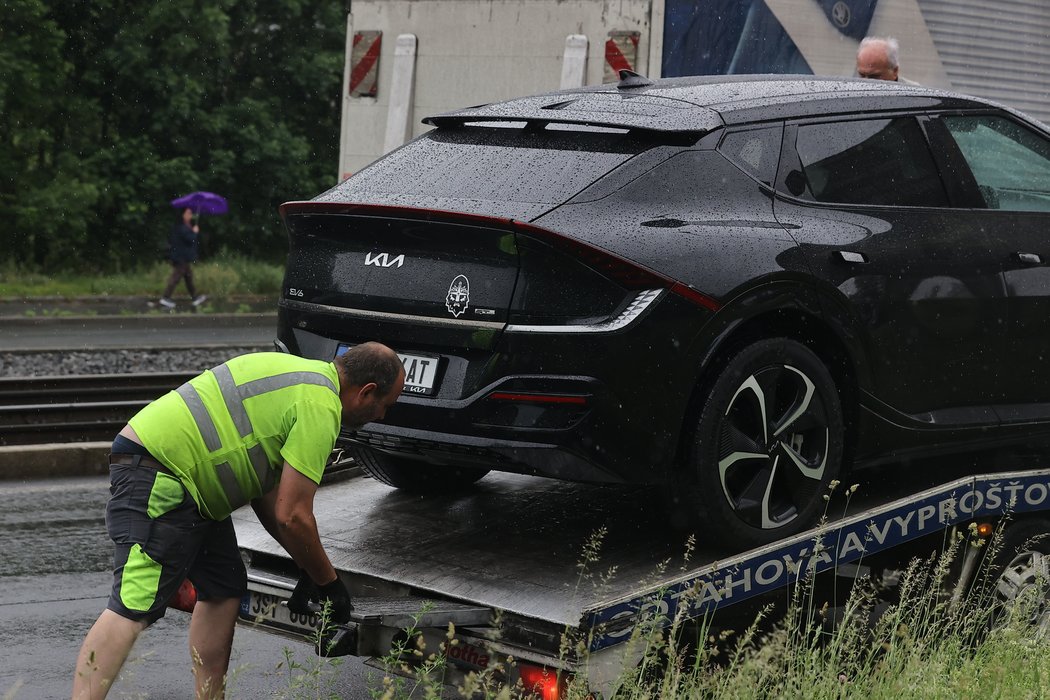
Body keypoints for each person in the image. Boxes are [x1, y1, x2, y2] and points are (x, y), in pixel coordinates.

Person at [72, 343, 406, 699]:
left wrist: (307, 565)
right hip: (163, 475)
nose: (382, 416)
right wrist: (329, 584)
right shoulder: (320, 405)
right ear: (366, 391)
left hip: (189, 486)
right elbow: (292, 515)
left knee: (223, 588)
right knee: (132, 605)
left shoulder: (295, 376)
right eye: (385, 405)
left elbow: (268, 495)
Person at [159, 207, 207, 309]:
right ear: (183, 215)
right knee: (176, 277)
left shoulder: (183, 226)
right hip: (181, 257)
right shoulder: (182, 227)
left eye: (191, 213)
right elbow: (190, 239)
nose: (190, 215)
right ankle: (165, 298)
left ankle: (195, 297)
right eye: (188, 213)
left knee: (188, 277)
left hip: (182, 256)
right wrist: (195, 232)